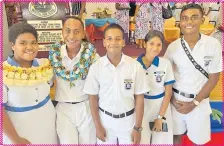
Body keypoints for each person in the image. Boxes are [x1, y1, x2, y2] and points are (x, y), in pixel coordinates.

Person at [164, 3, 222, 145]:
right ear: (180, 21)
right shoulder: (173, 47)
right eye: (185, 18)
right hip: (176, 101)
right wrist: (171, 101)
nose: (189, 22)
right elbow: (165, 76)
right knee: (175, 137)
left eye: (194, 17)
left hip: (199, 102)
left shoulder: (213, 44)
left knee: (199, 141)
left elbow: (214, 77)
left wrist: (194, 103)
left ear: (202, 20)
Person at [83, 23, 150, 144]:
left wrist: (137, 128)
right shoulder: (96, 68)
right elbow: (92, 98)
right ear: (103, 42)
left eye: (118, 38)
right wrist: (98, 126)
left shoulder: (135, 66)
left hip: (129, 121)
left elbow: (140, 97)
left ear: (123, 42)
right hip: (105, 121)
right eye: (109, 38)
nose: (113, 42)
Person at [3, 22, 57, 144]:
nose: (30, 47)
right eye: (23, 43)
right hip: (20, 132)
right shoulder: (3, 73)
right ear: (12, 45)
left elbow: (53, 85)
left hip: (48, 128)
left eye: (33, 43)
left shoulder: (44, 65)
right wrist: (16, 139)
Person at [49, 17, 99, 144]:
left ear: (83, 33)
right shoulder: (54, 54)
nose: (71, 36)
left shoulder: (92, 55)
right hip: (63, 108)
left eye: (77, 31)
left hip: (86, 107)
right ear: (62, 32)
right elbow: (47, 81)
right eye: (68, 30)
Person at [137, 30, 175, 144]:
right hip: (141, 106)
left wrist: (160, 117)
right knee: (142, 140)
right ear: (145, 44)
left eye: (159, 45)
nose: (155, 48)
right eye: (151, 43)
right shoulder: (134, 65)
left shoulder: (165, 64)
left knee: (162, 141)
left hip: (161, 106)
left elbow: (168, 93)